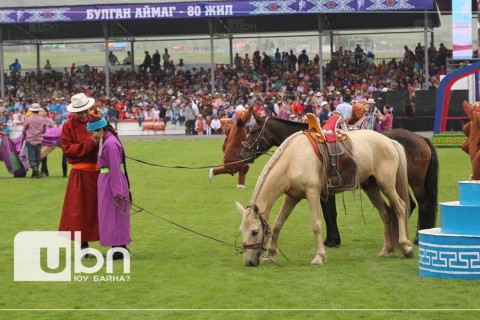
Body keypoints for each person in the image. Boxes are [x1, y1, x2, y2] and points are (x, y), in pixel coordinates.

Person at [59, 93, 100, 256]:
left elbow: (112, 137)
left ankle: (117, 245)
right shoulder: (68, 125)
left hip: (101, 172)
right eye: (79, 112)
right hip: (80, 173)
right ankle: (84, 247)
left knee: (105, 208)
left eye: (85, 111)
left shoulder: (97, 119)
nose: (83, 115)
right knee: (80, 211)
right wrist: (90, 143)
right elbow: (67, 149)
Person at [87, 117, 132, 260]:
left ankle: (119, 250)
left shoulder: (110, 143)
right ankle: (117, 248)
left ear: (100, 130)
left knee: (116, 216)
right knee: (110, 216)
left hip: (112, 183)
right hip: (107, 182)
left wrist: (117, 192)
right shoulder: (106, 141)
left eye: (92, 133)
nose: (91, 137)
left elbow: (114, 169)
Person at [208, 107, 252, 188]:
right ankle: (213, 171)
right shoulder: (238, 125)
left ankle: (240, 184)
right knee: (231, 168)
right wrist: (249, 112)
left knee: (244, 166)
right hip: (233, 152)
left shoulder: (237, 126)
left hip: (240, 151)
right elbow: (243, 120)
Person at [22, 103, 46, 178]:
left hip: (30, 139)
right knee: (37, 157)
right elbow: (44, 131)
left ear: (32, 111)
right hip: (39, 140)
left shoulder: (28, 119)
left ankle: (36, 171)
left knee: (32, 158)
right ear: (38, 111)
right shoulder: (43, 119)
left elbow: (23, 130)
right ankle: (35, 172)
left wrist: (25, 135)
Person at [462, 101, 480, 180]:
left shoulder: (475, 119)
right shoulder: (474, 120)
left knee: (477, 161)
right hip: (475, 147)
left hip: (475, 148)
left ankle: (475, 179)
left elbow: (465, 129)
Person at [39, 107, 56, 177]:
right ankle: (45, 170)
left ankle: (43, 170)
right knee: (40, 155)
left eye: (43, 111)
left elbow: (53, 130)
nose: (41, 113)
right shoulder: (38, 120)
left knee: (44, 156)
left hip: (47, 140)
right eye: (40, 111)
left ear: (46, 112)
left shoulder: (50, 121)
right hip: (39, 139)